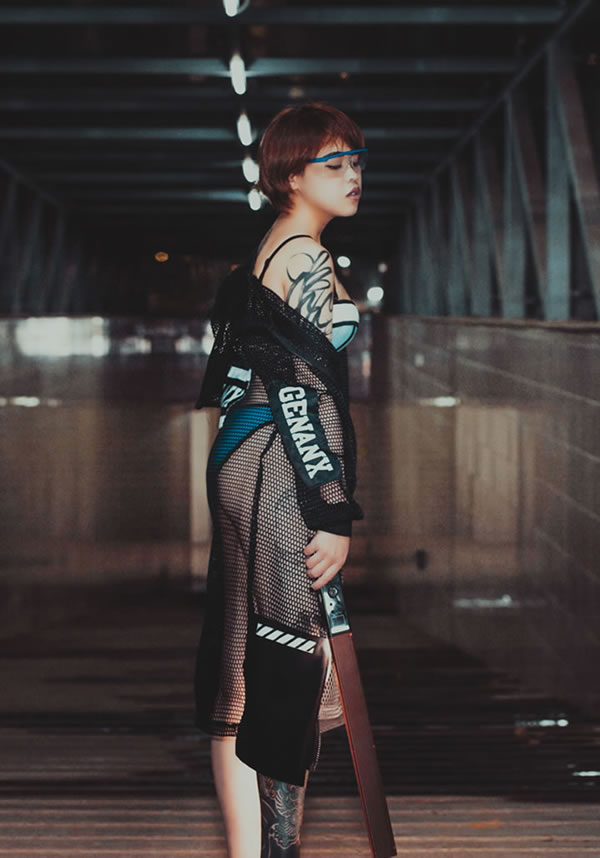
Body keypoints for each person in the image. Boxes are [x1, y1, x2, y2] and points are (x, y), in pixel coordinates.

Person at [193, 101, 367, 858]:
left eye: (357, 161)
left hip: (243, 453)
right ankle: (279, 848)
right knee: (292, 652)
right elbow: (304, 391)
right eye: (334, 163)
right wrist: (331, 509)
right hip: (279, 460)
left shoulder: (269, 251)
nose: (352, 175)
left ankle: (249, 852)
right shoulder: (304, 258)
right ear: (291, 175)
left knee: (243, 653)